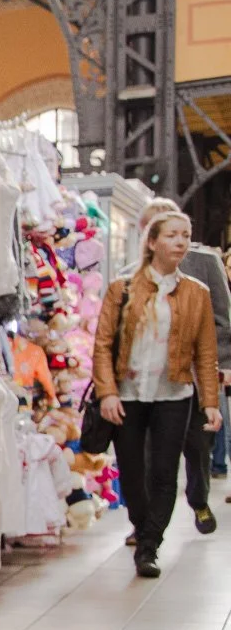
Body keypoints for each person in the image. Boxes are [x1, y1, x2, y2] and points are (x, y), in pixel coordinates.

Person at [96, 206, 223, 577]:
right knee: (133, 473)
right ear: (151, 243)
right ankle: (142, 523)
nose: (180, 242)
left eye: (185, 235)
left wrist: (211, 402)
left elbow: (205, 351)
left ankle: (149, 545)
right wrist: (107, 392)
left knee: (165, 474)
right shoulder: (121, 290)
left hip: (175, 395)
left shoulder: (195, 293)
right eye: (171, 235)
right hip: (129, 395)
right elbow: (103, 344)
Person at [134, 200, 231, 530]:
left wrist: (217, 365)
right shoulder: (129, 276)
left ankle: (199, 498)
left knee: (197, 445)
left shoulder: (204, 263)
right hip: (146, 381)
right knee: (147, 453)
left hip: (192, 377)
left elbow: (222, 320)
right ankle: (145, 526)